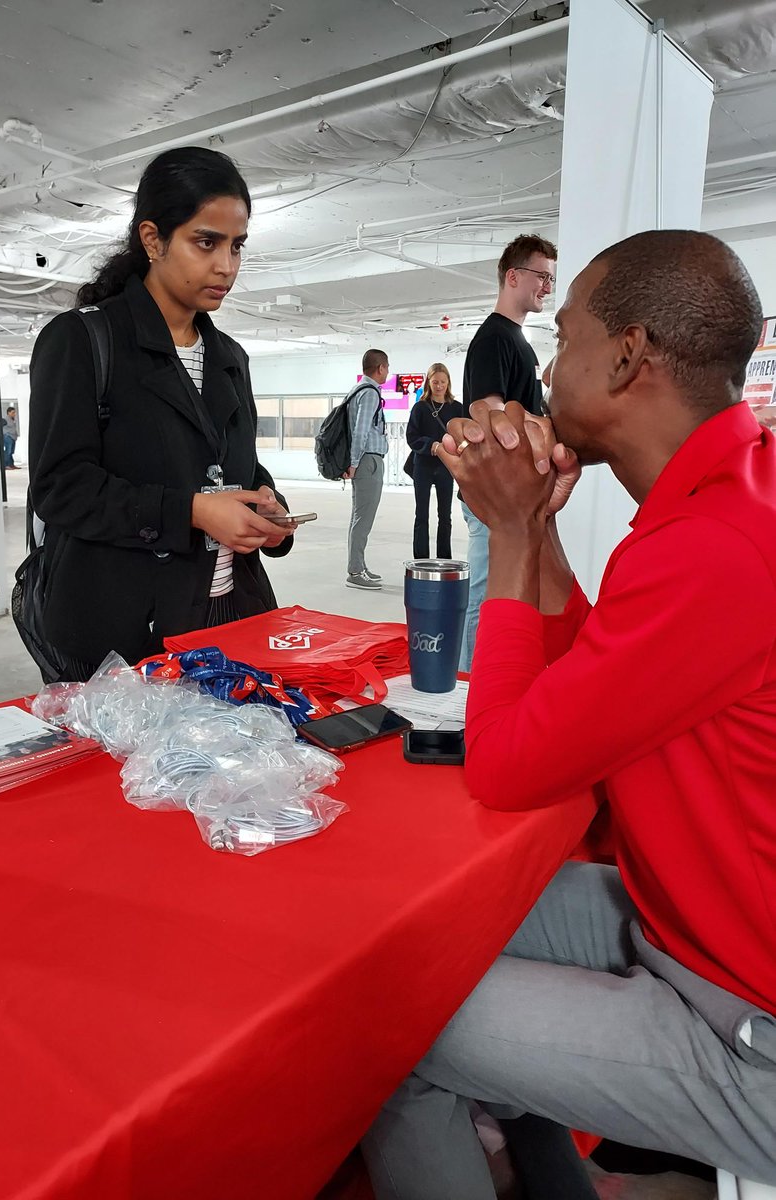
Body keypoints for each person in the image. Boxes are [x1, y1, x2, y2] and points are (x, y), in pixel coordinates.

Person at [362, 229, 776, 1198]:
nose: (547, 368)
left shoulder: (712, 549)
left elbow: (507, 765)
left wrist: (509, 532)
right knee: (433, 928)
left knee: (388, 1029)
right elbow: (592, 677)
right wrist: (538, 527)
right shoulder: (725, 502)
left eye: (565, 336)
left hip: (743, 1018)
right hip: (689, 932)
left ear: (627, 355)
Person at [28, 147, 295, 680]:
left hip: (229, 617)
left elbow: (235, 465)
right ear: (153, 239)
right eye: (206, 242)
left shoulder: (229, 357)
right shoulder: (82, 341)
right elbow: (61, 489)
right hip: (123, 636)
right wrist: (191, 511)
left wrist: (270, 510)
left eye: (237, 245)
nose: (226, 266)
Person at [458, 233, 557, 671]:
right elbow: (491, 417)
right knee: (486, 596)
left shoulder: (518, 340)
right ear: (513, 276)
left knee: (509, 596)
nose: (547, 287)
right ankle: (469, 688)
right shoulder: (494, 339)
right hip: (495, 497)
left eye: (551, 279)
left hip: (518, 497)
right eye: (542, 276)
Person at [405, 363, 464, 559]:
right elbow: (411, 436)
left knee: (445, 516)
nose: (439, 386)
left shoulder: (457, 408)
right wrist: (431, 445)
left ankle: (444, 559)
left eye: (443, 382)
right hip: (423, 465)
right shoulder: (420, 408)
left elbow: (464, 435)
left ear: (448, 383)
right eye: (435, 382)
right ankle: (420, 559)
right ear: (428, 383)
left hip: (446, 466)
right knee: (421, 515)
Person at [345, 349, 389, 590]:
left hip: (364, 461)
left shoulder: (357, 390)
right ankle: (355, 571)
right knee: (364, 518)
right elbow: (361, 431)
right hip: (368, 461)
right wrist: (354, 463)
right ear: (380, 368)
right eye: (387, 368)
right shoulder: (370, 393)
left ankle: (358, 565)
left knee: (359, 517)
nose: (387, 372)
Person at [2, 405, 19, 469]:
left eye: (14, 412)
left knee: (11, 452)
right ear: (8, 413)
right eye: (12, 412)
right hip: (8, 437)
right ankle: (6, 465)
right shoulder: (5, 419)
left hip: (13, 437)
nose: (14, 414)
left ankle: (11, 464)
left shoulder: (13, 419)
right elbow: (2, 428)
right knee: (8, 451)